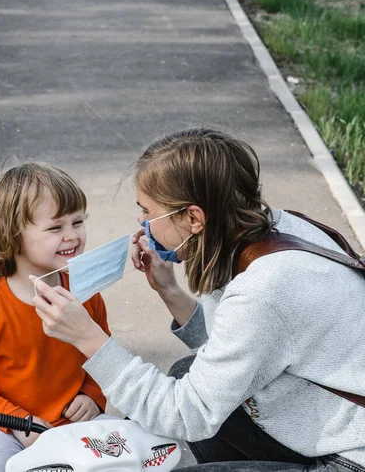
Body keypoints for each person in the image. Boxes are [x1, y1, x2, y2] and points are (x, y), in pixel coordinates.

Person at [30, 129, 365, 472]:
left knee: (172, 409)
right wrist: (170, 292)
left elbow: (188, 415)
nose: (142, 223)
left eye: (148, 211)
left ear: (193, 218)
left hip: (348, 456)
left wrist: (90, 339)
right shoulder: (267, 228)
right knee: (182, 374)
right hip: (314, 415)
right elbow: (243, 347)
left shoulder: (265, 289)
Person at [0, 162, 111, 472]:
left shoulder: (87, 294)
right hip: (5, 427)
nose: (72, 235)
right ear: (12, 236)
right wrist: (16, 421)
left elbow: (104, 356)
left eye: (77, 222)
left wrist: (92, 395)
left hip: (74, 417)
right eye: (55, 227)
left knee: (130, 452)